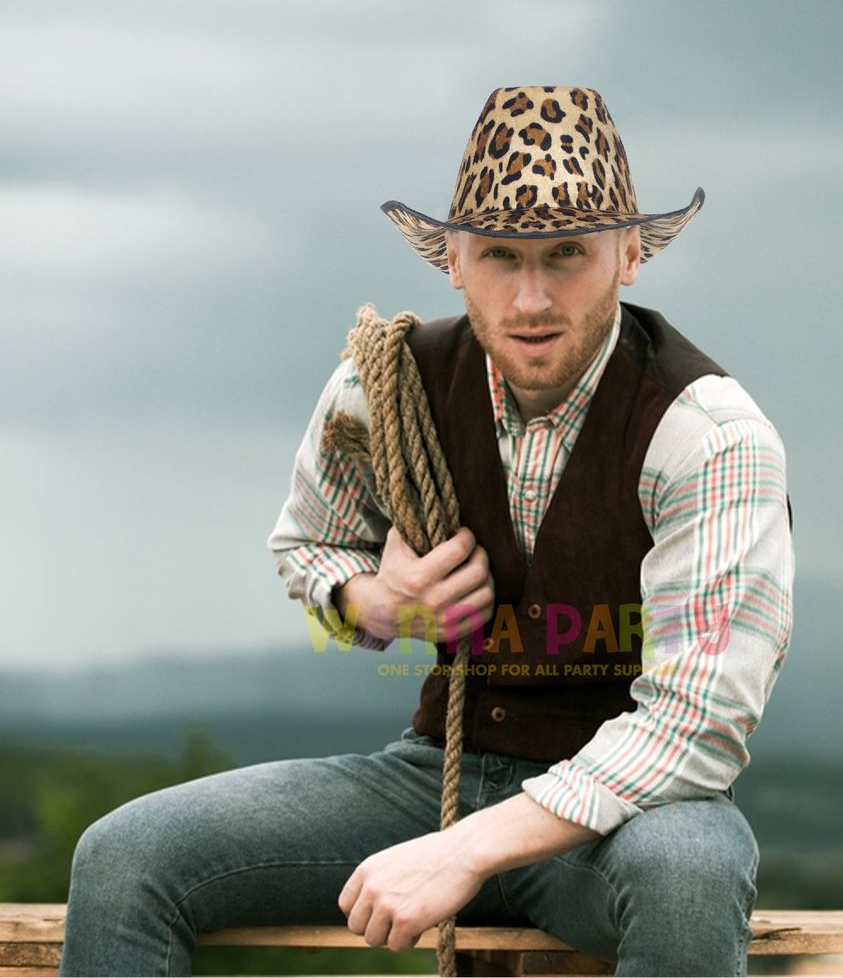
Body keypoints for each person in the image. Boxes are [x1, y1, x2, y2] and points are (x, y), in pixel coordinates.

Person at [60, 85, 795, 977]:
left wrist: (466, 849)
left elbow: (698, 724)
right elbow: (308, 549)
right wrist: (381, 604)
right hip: (435, 772)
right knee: (124, 860)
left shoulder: (709, 436)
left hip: (626, 816)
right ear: (452, 258)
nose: (531, 298)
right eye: (498, 256)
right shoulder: (386, 385)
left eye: (568, 253)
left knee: (691, 873)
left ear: (630, 253)